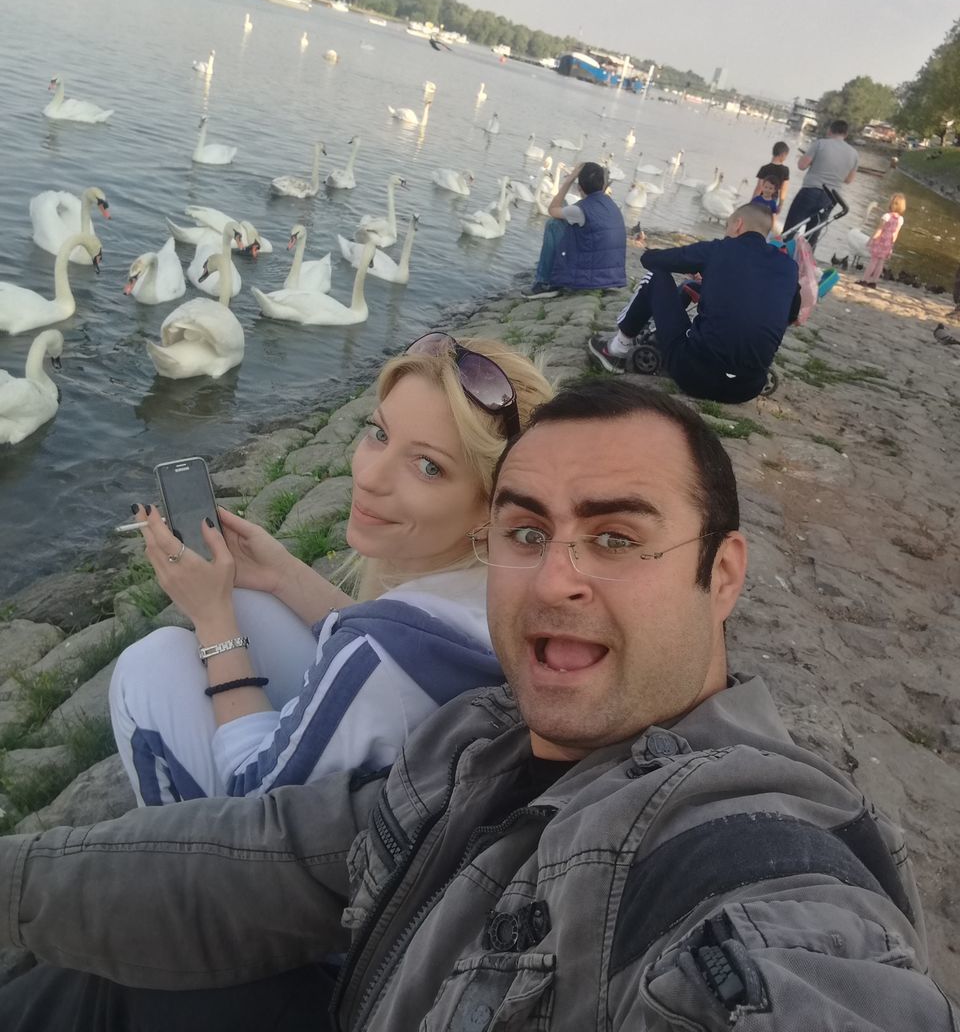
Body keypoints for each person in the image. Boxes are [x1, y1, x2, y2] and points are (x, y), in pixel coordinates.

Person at [0, 382, 955, 1031]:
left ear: (723, 575)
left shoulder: (752, 868)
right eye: (529, 531)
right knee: (91, 973)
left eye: (617, 538)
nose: (557, 581)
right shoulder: (480, 744)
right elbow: (265, 861)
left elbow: (811, 975)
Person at [109, 334, 552, 805]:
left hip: (285, 861)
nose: (368, 476)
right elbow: (402, 639)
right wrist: (281, 572)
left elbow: (256, 803)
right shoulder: (497, 590)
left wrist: (213, 621)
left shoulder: (379, 662)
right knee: (249, 600)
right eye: (380, 434)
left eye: (427, 467)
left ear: (495, 510)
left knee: (146, 667)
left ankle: (165, 861)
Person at [588, 202, 800, 403]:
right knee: (694, 287)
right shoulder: (788, 267)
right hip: (747, 388)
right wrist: (714, 280)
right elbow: (791, 315)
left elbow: (652, 261)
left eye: (727, 227)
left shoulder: (719, 249)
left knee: (656, 276)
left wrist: (691, 262)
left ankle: (617, 348)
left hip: (694, 377)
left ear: (738, 224)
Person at [531, 160, 626, 294]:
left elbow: (552, 210)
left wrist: (569, 180)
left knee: (554, 224)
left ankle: (544, 282)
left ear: (579, 188)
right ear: (603, 184)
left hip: (590, 279)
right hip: (613, 277)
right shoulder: (611, 205)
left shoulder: (580, 210)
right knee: (574, 226)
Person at [783, 119, 858, 248]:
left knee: (791, 228)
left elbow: (802, 165)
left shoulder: (820, 144)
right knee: (813, 235)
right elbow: (848, 180)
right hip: (830, 198)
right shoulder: (854, 154)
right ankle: (804, 264)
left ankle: (779, 255)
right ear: (846, 134)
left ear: (830, 130)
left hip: (810, 191)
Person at [857, 193, 906, 289]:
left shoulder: (886, 216)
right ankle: (873, 282)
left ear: (892, 204)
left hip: (880, 241)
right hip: (888, 243)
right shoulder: (900, 219)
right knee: (881, 263)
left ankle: (864, 280)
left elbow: (879, 230)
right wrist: (891, 245)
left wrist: (872, 239)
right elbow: (896, 233)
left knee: (873, 261)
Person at [752, 140, 790, 211]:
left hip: (761, 198)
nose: (785, 158)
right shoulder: (785, 170)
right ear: (783, 154)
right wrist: (780, 204)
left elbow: (759, 187)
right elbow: (783, 189)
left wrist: (752, 201)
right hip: (772, 199)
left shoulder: (764, 168)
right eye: (786, 156)